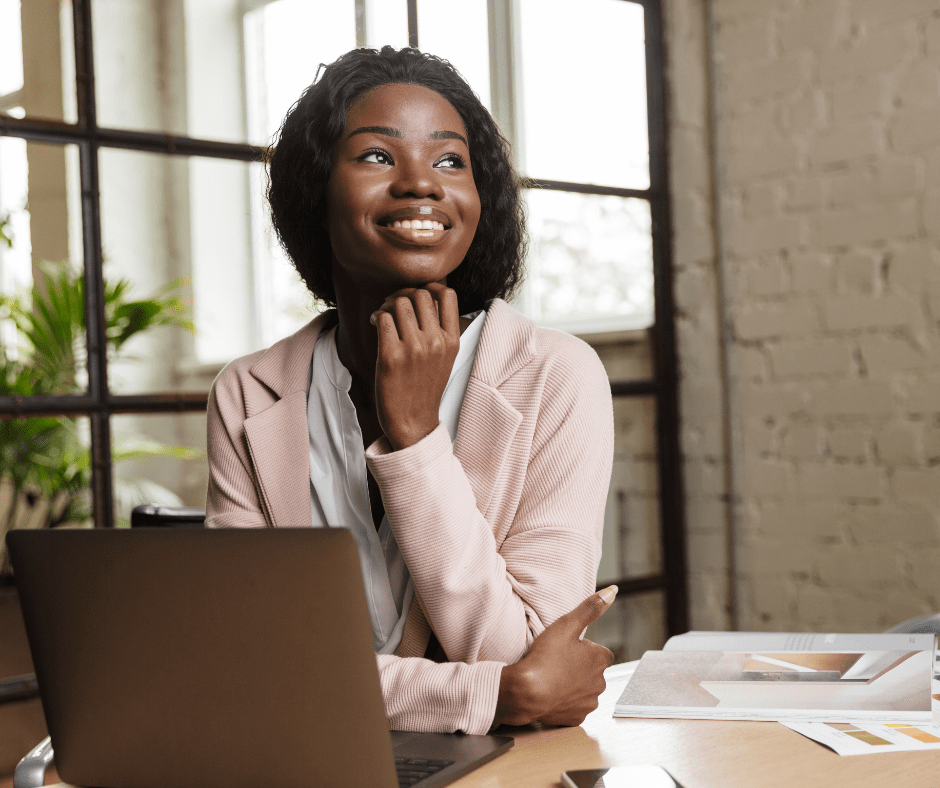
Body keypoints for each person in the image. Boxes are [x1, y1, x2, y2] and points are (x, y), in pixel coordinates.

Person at [206, 46, 615, 735]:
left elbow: (528, 657)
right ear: (316, 188)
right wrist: (484, 696)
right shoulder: (250, 392)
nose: (422, 184)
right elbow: (249, 664)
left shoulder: (557, 375)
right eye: (376, 156)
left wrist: (417, 438)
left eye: (451, 161)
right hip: (305, 758)